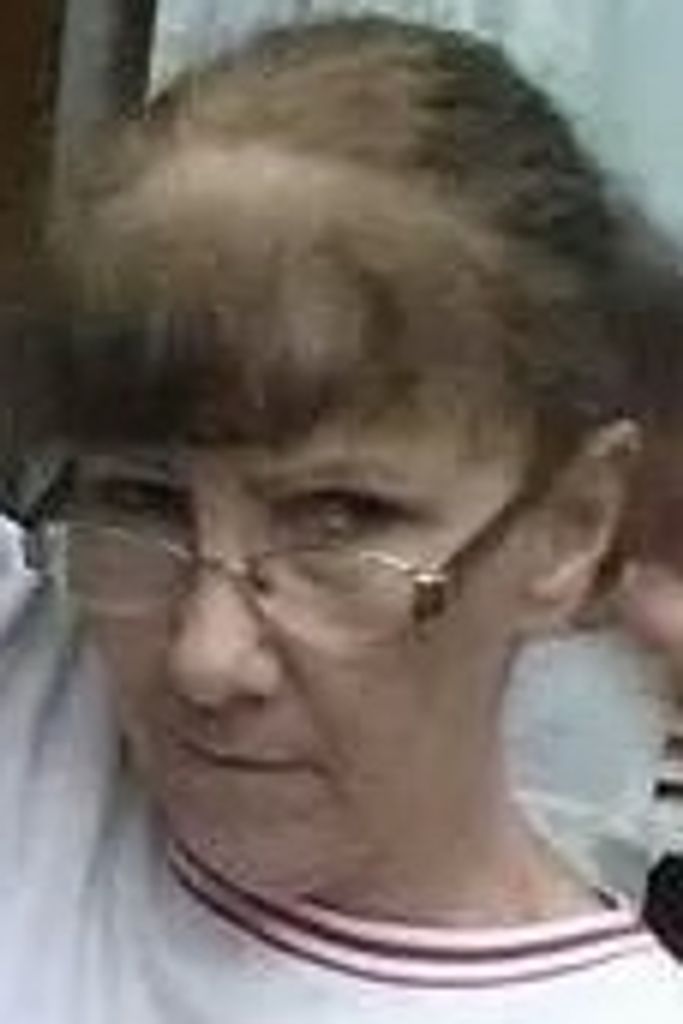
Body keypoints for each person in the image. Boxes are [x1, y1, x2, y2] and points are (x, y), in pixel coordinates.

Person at [0, 15, 680, 1022]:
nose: (205, 660)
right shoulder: (37, 682)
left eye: (338, 518)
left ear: (569, 527)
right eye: (142, 500)